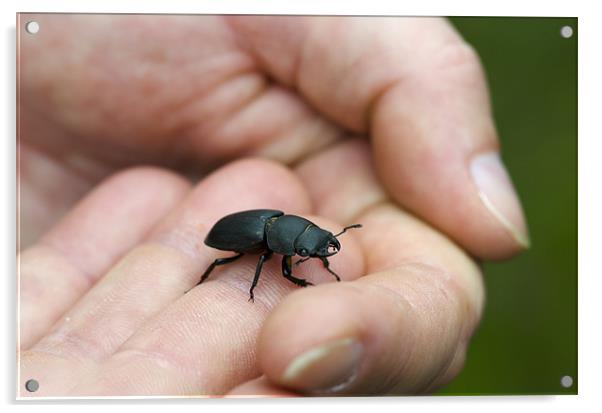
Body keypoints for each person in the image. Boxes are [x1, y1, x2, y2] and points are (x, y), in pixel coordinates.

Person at [18, 15, 529, 396]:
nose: (318, 248)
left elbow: (298, 247)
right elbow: (271, 264)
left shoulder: (287, 232)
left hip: (256, 227)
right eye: (314, 247)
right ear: (290, 238)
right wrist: (287, 280)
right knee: (227, 264)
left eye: (318, 246)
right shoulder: (267, 244)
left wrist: (319, 260)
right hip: (230, 232)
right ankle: (208, 283)